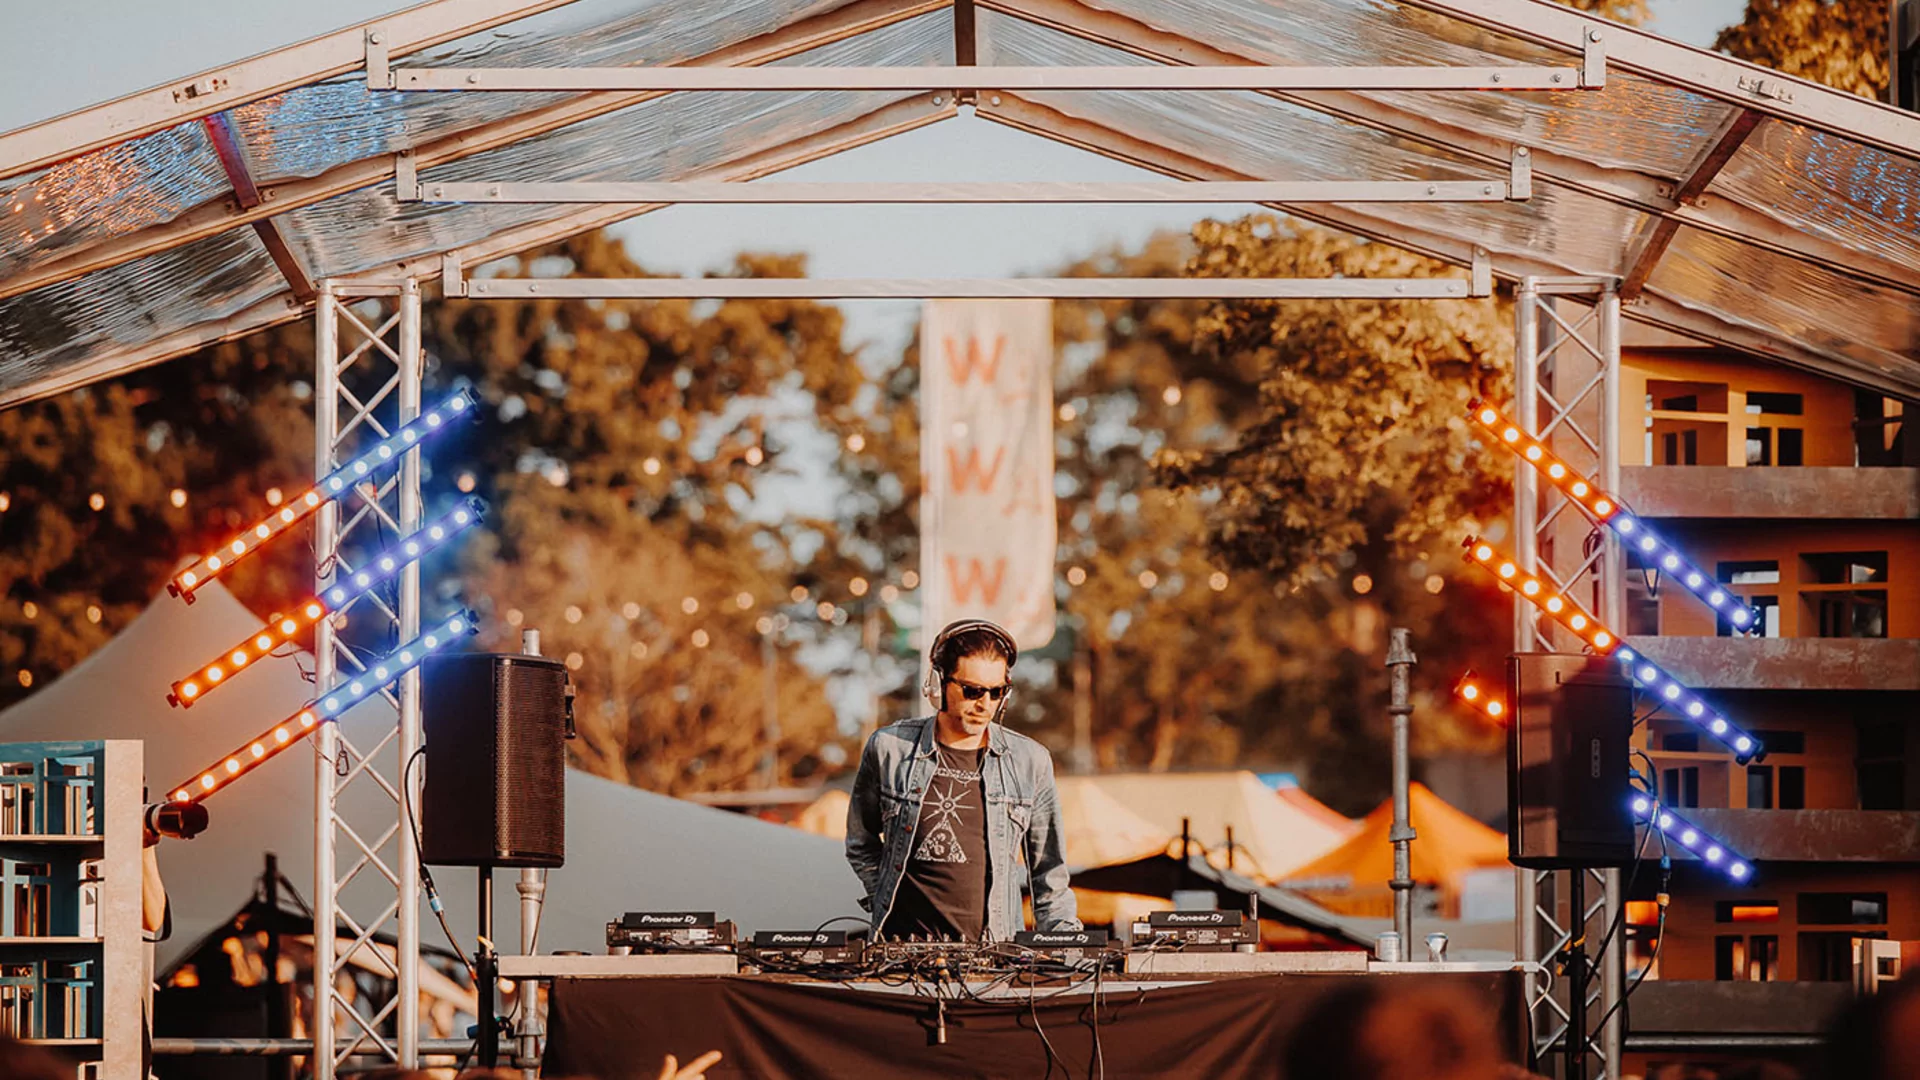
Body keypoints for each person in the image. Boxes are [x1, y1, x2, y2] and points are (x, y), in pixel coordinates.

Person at [846, 618, 1079, 941]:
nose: (984, 704)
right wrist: (884, 897)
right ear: (937, 683)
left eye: (997, 692)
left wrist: (1067, 945)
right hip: (899, 955)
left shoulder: (1030, 761)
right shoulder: (889, 749)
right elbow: (861, 842)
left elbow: (1049, 873)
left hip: (995, 955)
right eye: (972, 691)